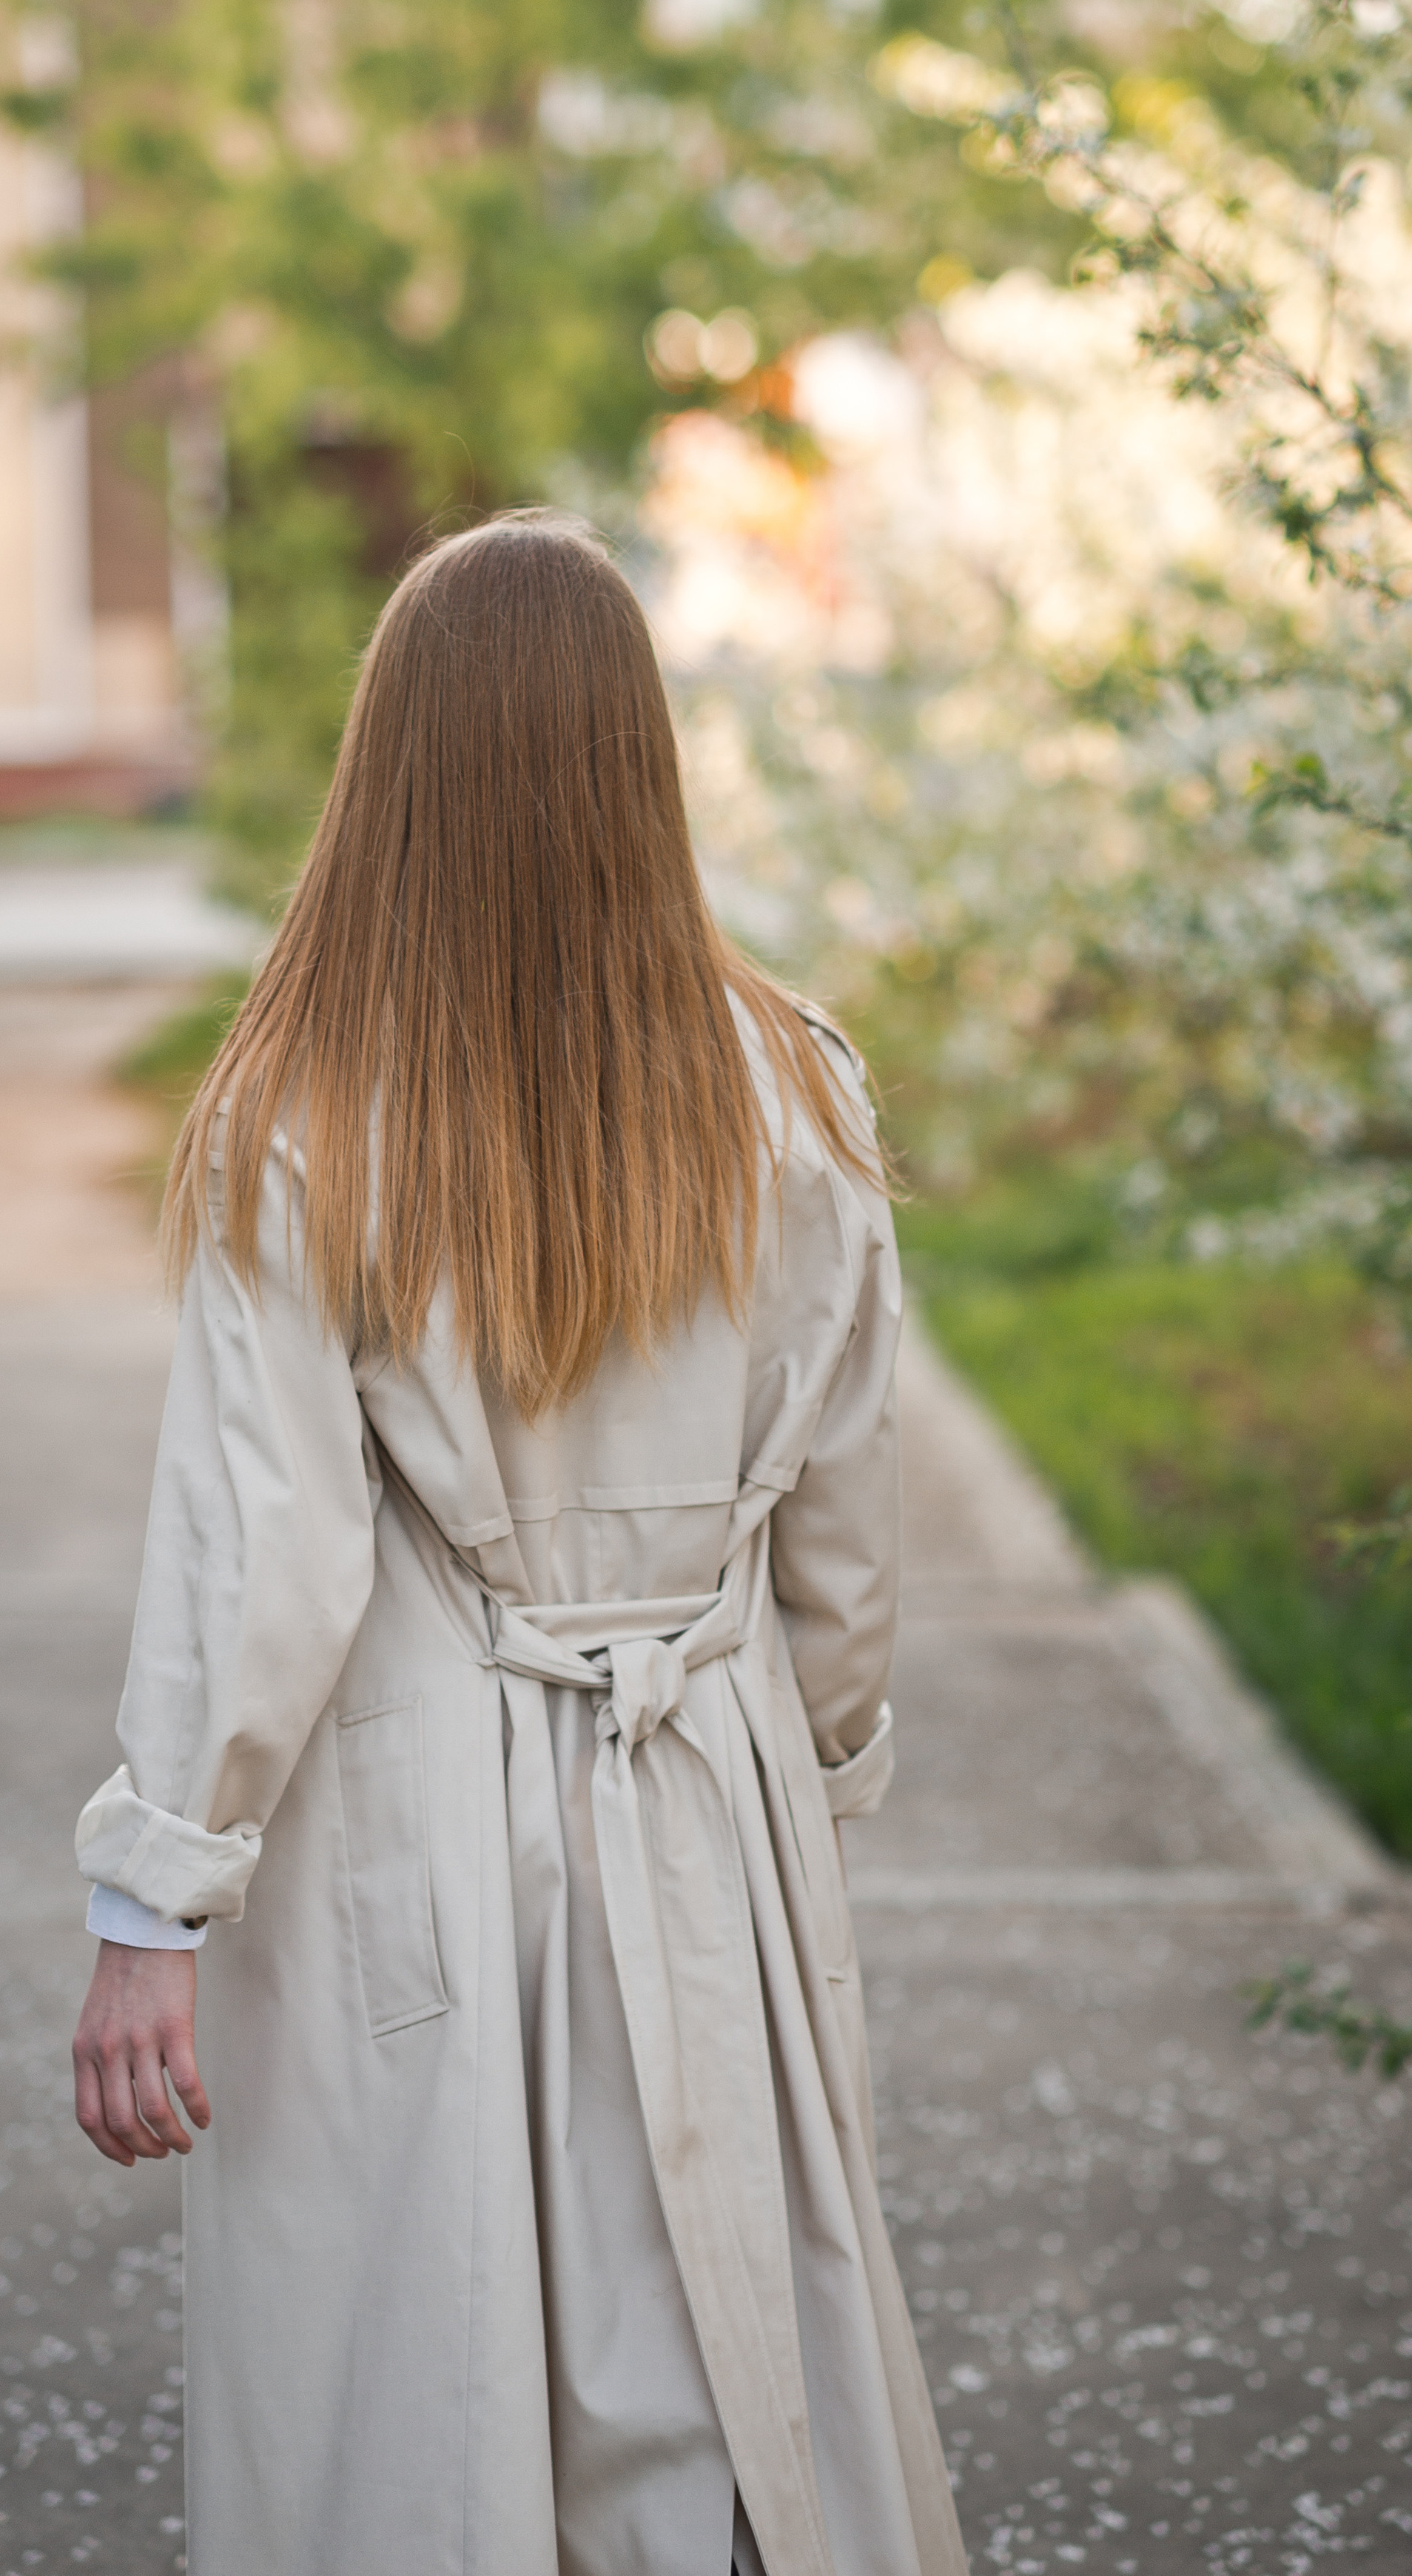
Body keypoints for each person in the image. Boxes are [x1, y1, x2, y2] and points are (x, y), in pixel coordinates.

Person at [70, 510, 968, 2576]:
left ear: (395, 765)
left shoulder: (307, 1105)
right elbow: (845, 1526)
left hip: (421, 1814)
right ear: (636, 760)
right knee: (718, 2375)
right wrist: (808, 1784)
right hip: (706, 1783)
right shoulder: (798, 1092)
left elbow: (264, 1547)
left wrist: (155, 1900)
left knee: (436, 2384)